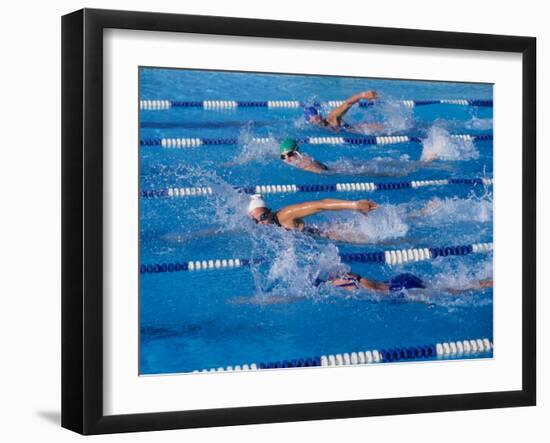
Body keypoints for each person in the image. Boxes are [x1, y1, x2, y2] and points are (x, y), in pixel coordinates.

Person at [247, 194, 378, 241]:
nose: (261, 223)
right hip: (320, 238)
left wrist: (355, 205)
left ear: (270, 212)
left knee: (374, 239)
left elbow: (321, 205)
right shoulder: (266, 228)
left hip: (332, 235)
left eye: (263, 216)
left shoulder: (285, 215)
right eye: (256, 221)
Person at [303, 90, 381, 132]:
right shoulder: (317, 129)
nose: (318, 120)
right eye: (314, 120)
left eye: (317, 117)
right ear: (310, 122)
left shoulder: (332, 117)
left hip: (365, 129)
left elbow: (347, 103)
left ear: (320, 115)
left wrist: (362, 95)